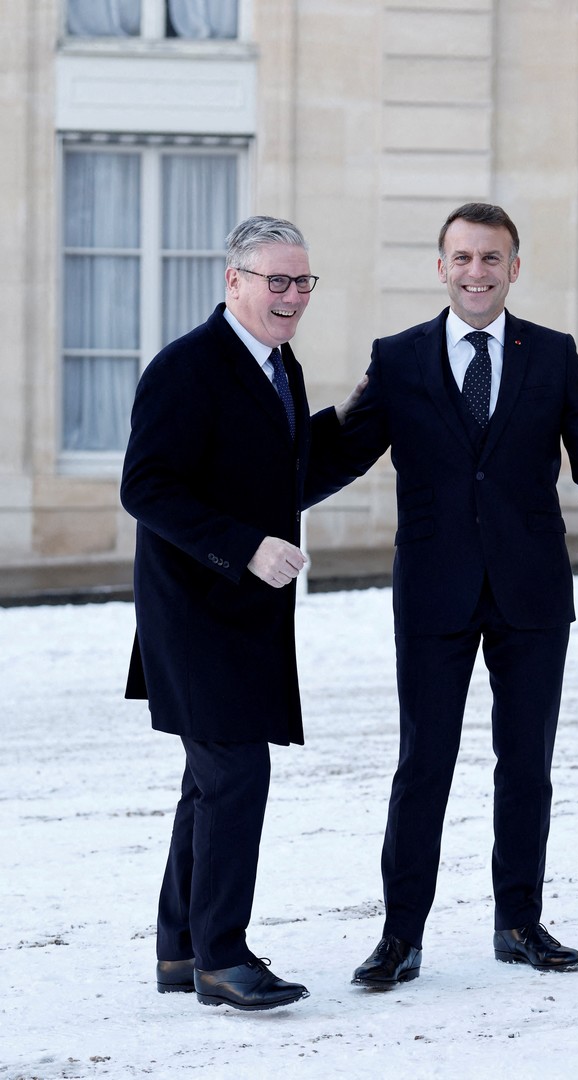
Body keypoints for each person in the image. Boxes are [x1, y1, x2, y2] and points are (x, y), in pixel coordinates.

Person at [308, 202, 578, 986]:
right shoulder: (399, 358)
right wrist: (253, 493)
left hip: (530, 589)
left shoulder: (551, 355)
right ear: (442, 265)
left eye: (492, 259)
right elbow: (347, 451)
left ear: (513, 268)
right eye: (464, 258)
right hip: (433, 588)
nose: (477, 272)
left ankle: (518, 923)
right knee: (423, 764)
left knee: (526, 764)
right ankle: (401, 938)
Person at [121, 215, 358, 1012]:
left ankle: (180, 948)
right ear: (235, 281)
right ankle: (223, 958)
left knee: (209, 782)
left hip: (241, 615)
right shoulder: (187, 368)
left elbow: (287, 474)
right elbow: (146, 487)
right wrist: (245, 547)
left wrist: (371, 415)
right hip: (191, 611)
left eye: (302, 282)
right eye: (276, 281)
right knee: (234, 777)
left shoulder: (278, 364)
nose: (292, 296)